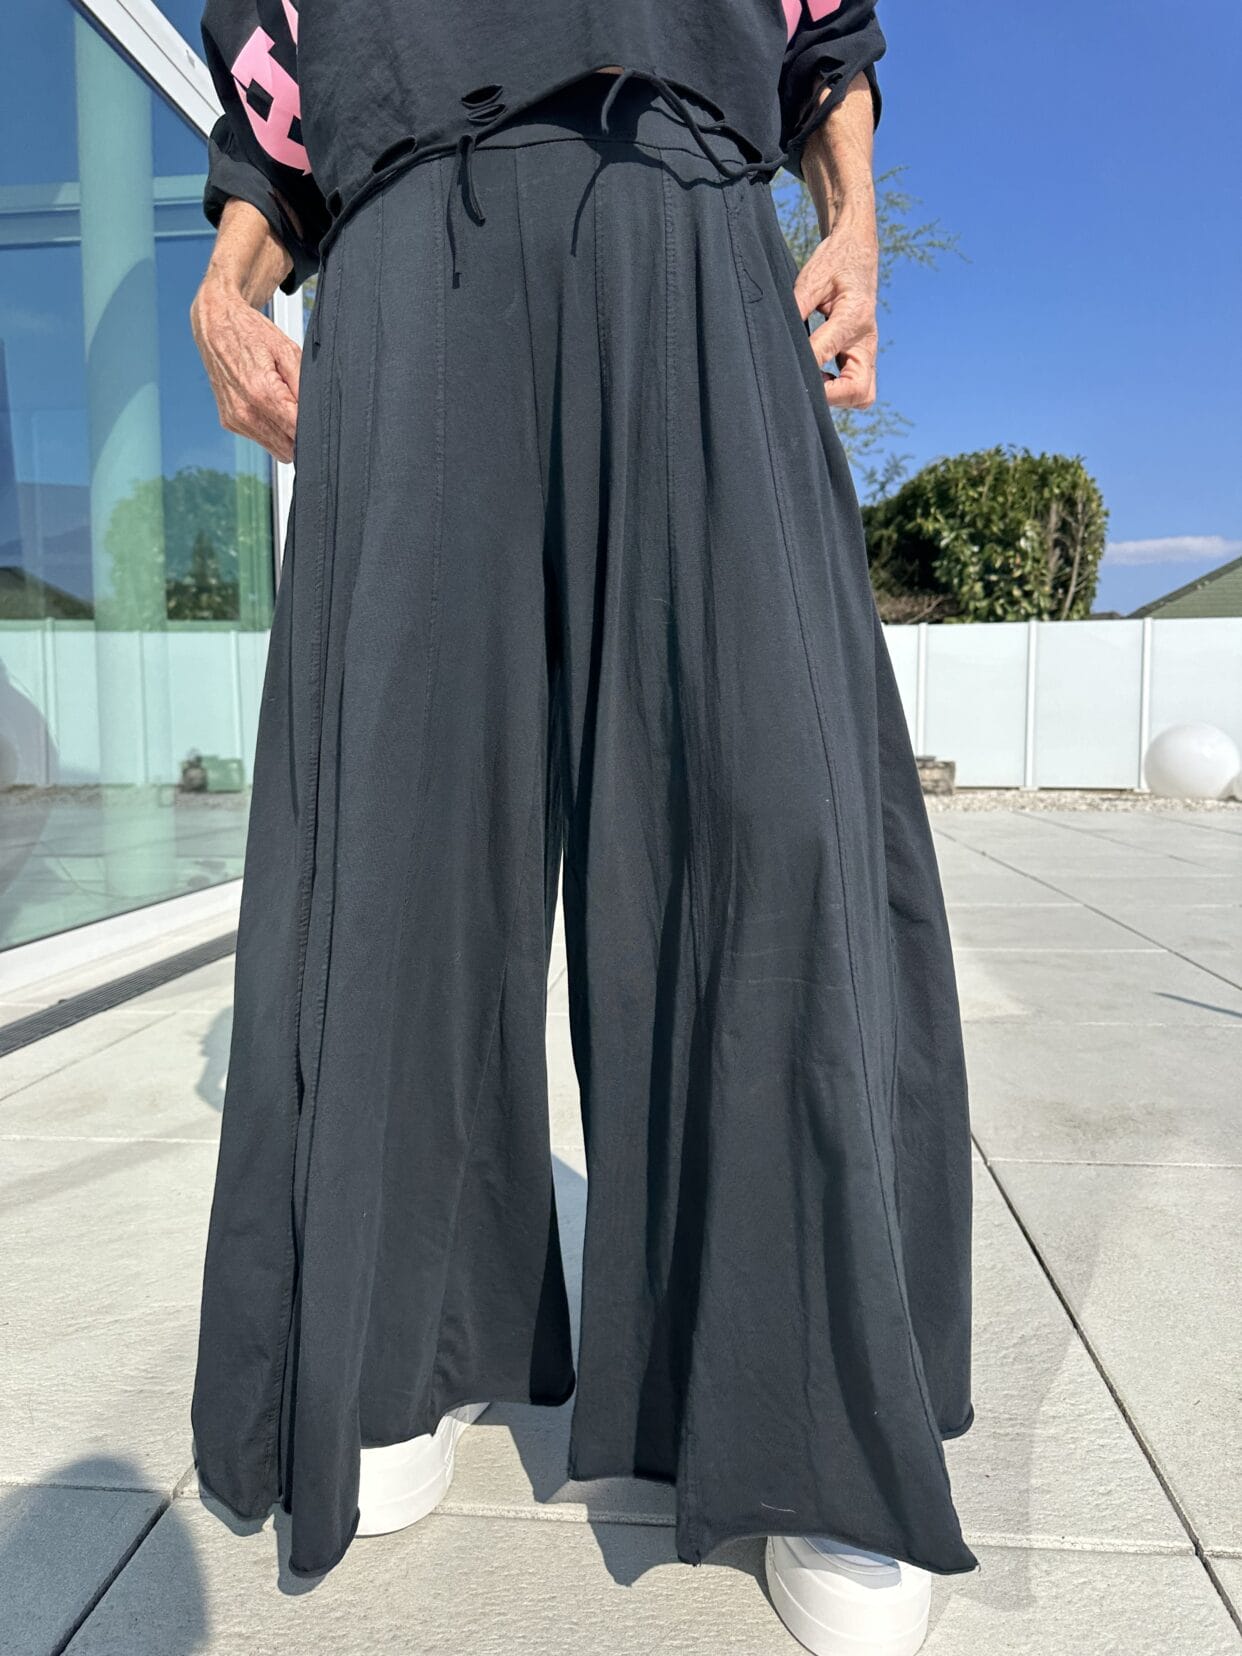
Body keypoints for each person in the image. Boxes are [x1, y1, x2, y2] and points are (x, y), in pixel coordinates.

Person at [188, 3, 978, 1651]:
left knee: (765, 803)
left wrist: (847, 220)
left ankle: (808, 1423)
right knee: (394, 834)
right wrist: (228, 281)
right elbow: (276, 101)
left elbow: (820, 34)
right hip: (399, 250)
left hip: (682, 204)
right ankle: (400, 1354)